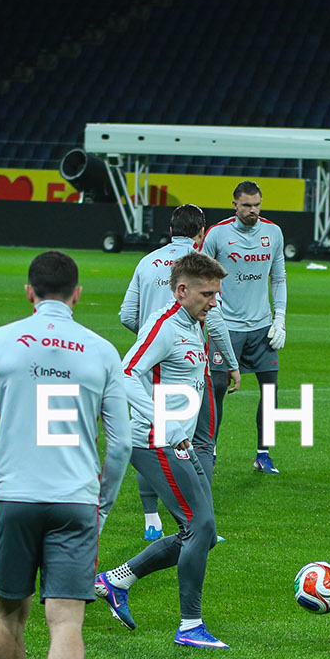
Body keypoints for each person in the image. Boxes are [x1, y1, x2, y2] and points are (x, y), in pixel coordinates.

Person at [0, 251, 130, 659]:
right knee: (66, 624)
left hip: (13, 495)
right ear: (77, 294)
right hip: (76, 501)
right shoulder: (101, 350)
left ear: (29, 292)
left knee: (7, 615)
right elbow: (121, 445)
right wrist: (102, 505)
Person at [94, 252, 233, 649]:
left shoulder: (194, 324)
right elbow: (126, 374)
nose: (214, 302)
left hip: (175, 441)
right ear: (182, 290)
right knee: (199, 527)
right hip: (153, 441)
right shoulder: (165, 326)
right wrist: (165, 423)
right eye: (207, 294)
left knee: (203, 533)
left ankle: (116, 581)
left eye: (216, 294)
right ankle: (190, 626)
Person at [118, 203, 240, 538]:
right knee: (199, 441)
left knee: (151, 435)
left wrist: (151, 341)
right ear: (201, 231)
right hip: (185, 366)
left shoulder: (147, 262)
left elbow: (127, 314)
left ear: (171, 229)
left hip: (150, 366)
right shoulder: (201, 267)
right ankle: (199, 521)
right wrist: (230, 363)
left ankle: (152, 519)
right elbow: (215, 321)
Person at [201, 180, 288, 474]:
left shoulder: (273, 233)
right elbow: (203, 277)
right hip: (227, 327)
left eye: (257, 205)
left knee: (271, 391)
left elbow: (279, 278)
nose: (253, 210)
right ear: (234, 205)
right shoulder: (217, 234)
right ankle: (209, 450)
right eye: (247, 205)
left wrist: (280, 318)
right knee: (217, 389)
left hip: (262, 327)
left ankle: (263, 454)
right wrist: (213, 310)